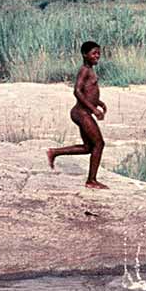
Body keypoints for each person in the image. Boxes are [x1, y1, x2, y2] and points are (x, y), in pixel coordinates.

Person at [47, 41, 108, 190]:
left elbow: (88, 91)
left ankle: (54, 152)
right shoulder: (84, 70)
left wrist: (98, 102)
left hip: (83, 112)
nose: (97, 56)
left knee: (89, 147)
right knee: (99, 144)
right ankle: (91, 181)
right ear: (84, 55)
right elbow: (77, 91)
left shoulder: (90, 70)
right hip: (81, 113)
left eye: (98, 53)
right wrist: (94, 109)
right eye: (94, 53)